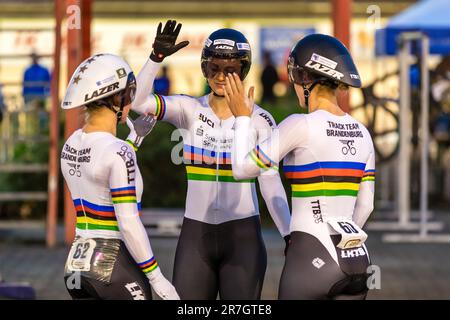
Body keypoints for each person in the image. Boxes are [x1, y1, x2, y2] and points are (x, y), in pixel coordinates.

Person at [132, 20, 291, 300]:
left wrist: (290, 235)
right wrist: (155, 58)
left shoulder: (260, 119)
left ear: (244, 70)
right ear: (204, 69)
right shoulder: (188, 109)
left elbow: (270, 181)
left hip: (243, 237)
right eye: (214, 68)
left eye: (231, 70)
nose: (221, 76)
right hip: (196, 236)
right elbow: (138, 103)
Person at [225, 34, 375, 300]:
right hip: (357, 260)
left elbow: (242, 168)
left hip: (310, 257)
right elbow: (366, 206)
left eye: (294, 77)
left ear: (306, 79)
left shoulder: (300, 124)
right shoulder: (362, 132)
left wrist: (242, 119)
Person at [60, 53, 179, 300]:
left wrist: (134, 141)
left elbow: (98, 171)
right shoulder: (118, 151)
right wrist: (157, 278)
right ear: (116, 97)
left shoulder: (71, 142)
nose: (131, 101)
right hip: (113, 264)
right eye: (130, 93)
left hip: (77, 266)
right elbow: (128, 222)